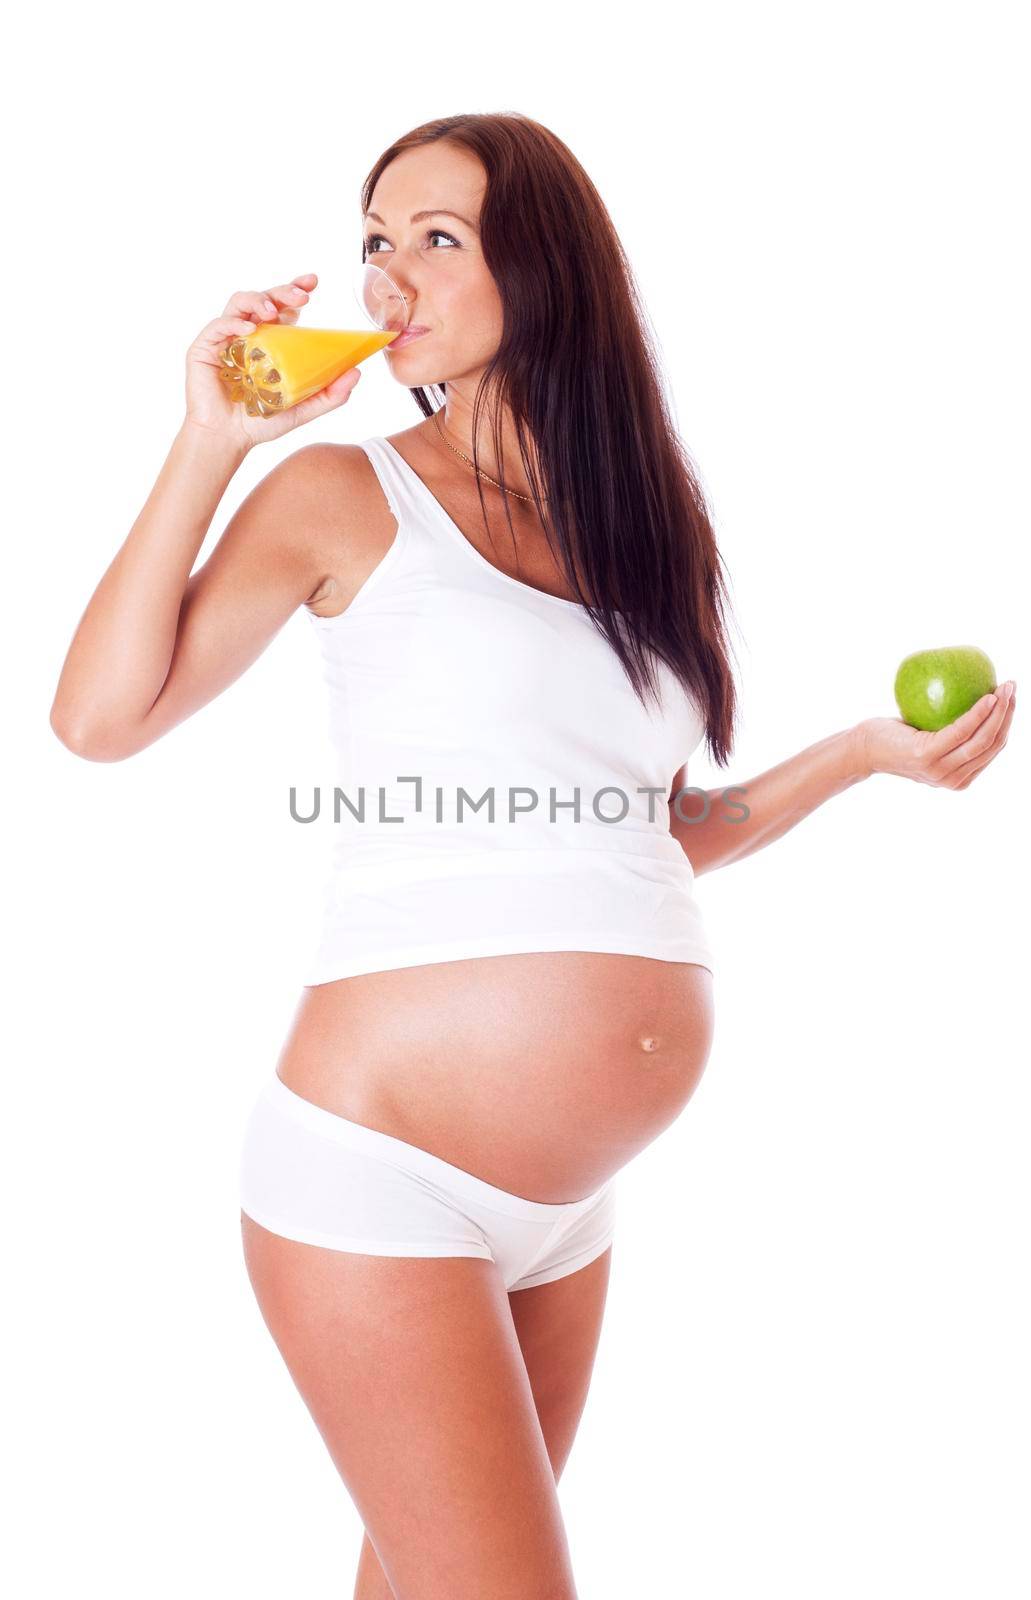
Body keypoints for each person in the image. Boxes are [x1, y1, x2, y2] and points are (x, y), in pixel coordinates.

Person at [49, 113, 1017, 1600]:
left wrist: (865, 755)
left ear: (548, 267)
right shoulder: (341, 495)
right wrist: (207, 442)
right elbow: (100, 721)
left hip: (567, 1206)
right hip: (382, 1174)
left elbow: (658, 831)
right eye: (378, 241)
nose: (392, 276)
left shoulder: (648, 529)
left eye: (438, 236)